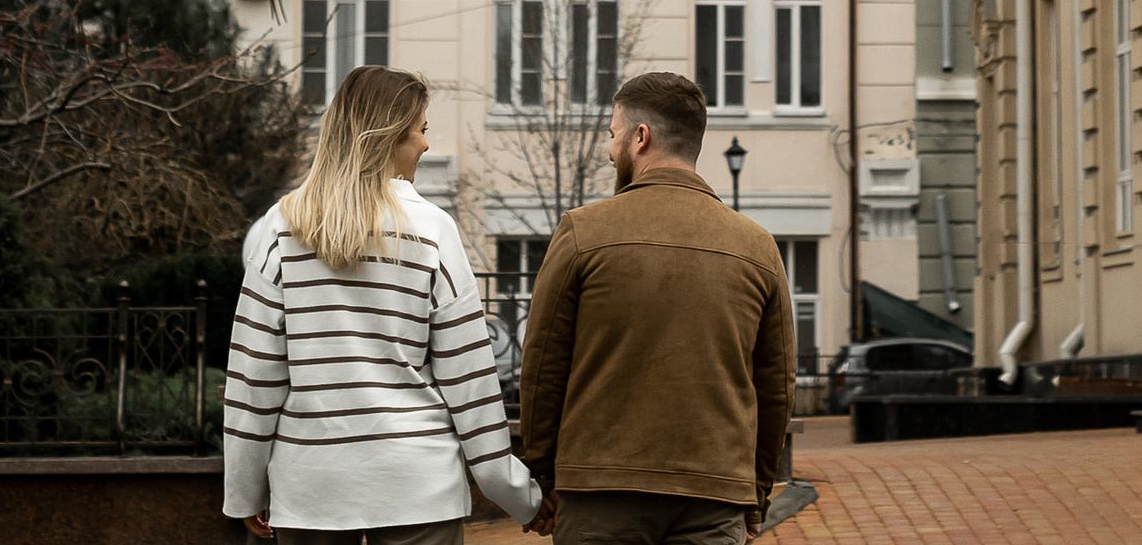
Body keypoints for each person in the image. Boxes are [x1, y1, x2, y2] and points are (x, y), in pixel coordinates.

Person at [225, 65, 540, 545]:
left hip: (312, 491)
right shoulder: (432, 230)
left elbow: (255, 379)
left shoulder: (280, 228)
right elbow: (471, 384)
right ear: (389, 136)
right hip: (418, 487)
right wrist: (523, 498)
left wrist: (244, 493)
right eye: (421, 130)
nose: (426, 145)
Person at [517, 71, 793, 545]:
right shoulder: (758, 247)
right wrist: (756, 491)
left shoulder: (584, 232)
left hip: (601, 490)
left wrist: (542, 476)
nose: (609, 149)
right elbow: (776, 387)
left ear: (640, 138)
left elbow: (542, 367)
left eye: (612, 135)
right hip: (714, 491)